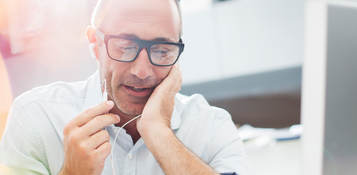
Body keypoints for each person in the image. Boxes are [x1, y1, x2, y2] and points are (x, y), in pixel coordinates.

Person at [0, 0, 247, 174]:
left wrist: (159, 133)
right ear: (95, 44)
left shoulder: (212, 126)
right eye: (125, 47)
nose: (142, 71)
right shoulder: (35, 116)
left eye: (161, 51)